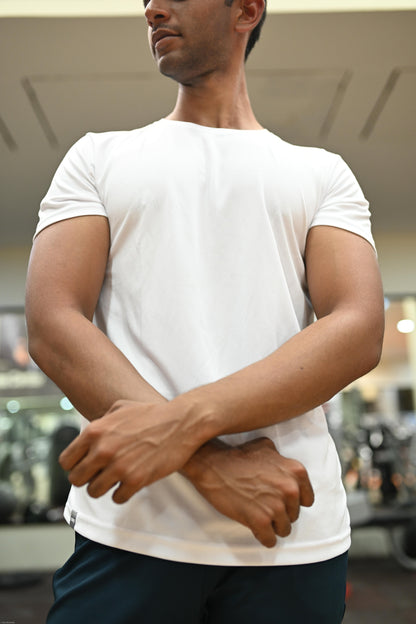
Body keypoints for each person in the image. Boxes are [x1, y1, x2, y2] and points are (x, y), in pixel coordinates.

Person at [25, 0, 384, 622]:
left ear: (247, 10)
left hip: (290, 529)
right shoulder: (97, 158)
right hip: (133, 528)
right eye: (146, 0)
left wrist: (180, 426)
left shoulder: (322, 174)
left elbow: (356, 329)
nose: (152, 9)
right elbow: (54, 326)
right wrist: (206, 462)